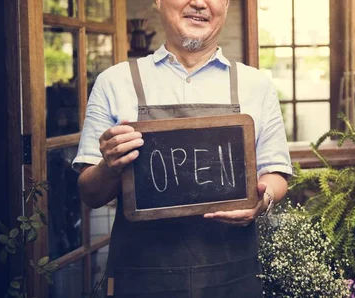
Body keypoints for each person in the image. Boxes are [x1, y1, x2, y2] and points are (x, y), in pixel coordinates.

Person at [72, 0, 292, 297]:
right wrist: (109, 166)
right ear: (158, 3)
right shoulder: (115, 82)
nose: (200, 3)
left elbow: (276, 173)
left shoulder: (256, 85)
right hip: (143, 278)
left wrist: (263, 197)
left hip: (232, 276)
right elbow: (90, 194)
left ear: (225, 5)